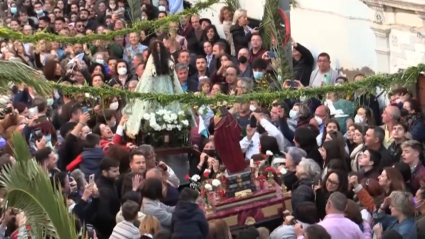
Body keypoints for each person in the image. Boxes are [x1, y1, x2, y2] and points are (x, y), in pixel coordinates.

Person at [122, 40, 193, 138]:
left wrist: (171, 65)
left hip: (165, 79)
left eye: (160, 46)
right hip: (154, 81)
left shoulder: (165, 57)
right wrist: (153, 71)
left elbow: (169, 62)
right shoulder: (152, 57)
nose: (158, 49)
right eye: (157, 47)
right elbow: (151, 66)